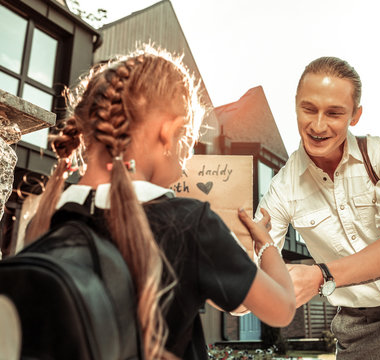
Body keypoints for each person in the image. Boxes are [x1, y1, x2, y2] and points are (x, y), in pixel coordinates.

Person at [24, 46, 295, 360]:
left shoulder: (41, 224)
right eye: (190, 139)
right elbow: (281, 308)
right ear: (169, 131)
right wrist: (265, 244)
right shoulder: (190, 224)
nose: (188, 157)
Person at [256, 57, 380, 359]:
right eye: (308, 109)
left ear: (355, 116)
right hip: (358, 329)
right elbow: (252, 269)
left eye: (334, 113)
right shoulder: (283, 189)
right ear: (295, 104)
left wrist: (319, 275)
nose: (318, 125)